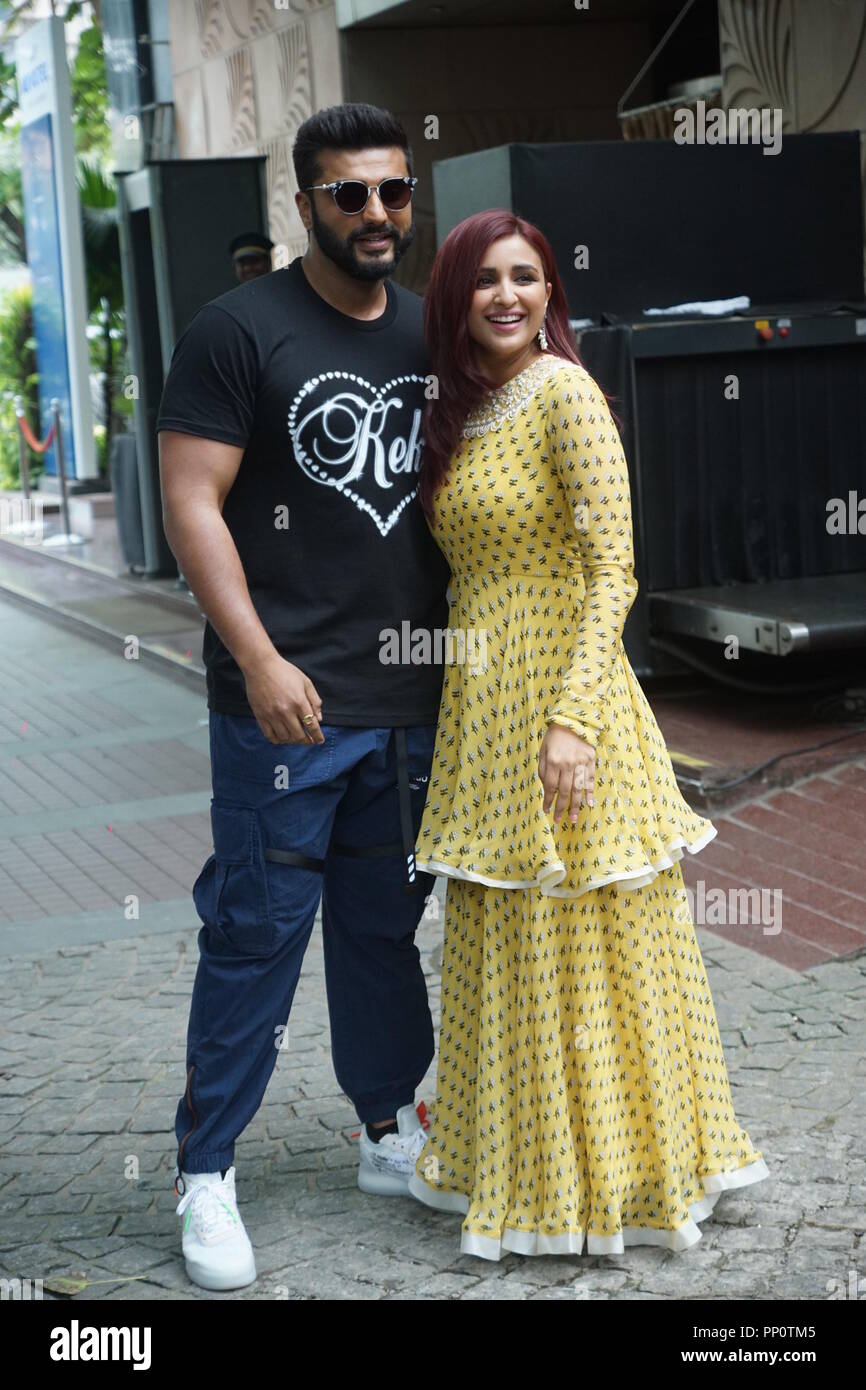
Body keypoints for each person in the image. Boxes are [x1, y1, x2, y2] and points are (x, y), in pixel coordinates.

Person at [407, 209, 770, 1260]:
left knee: (590, 938)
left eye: (526, 277)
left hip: (568, 705)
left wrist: (568, 720)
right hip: (482, 705)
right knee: (505, 934)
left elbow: (613, 569)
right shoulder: (462, 409)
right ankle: (512, 1165)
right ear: (455, 300)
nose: (507, 296)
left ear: (550, 294)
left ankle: (622, 1178)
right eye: (484, 280)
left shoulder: (563, 390)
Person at [156, 103, 450, 1291]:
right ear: (305, 205)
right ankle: (205, 1171)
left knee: (383, 931)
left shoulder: (434, 332)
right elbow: (191, 505)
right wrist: (261, 658)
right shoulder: (238, 331)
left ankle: (385, 1128)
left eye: (392, 192)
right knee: (255, 935)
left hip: (411, 703)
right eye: (348, 194)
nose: (375, 214)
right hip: (282, 706)